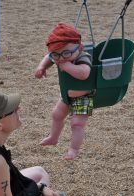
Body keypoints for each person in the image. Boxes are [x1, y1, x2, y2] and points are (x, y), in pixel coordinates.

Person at [35, 22, 93, 160]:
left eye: (66, 53)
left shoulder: (82, 56)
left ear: (80, 47)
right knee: (56, 115)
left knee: (77, 124)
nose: (61, 58)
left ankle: (73, 150)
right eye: (56, 54)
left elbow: (84, 73)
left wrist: (67, 66)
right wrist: (42, 67)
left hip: (83, 96)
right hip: (66, 95)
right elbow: (48, 57)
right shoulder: (60, 55)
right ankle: (53, 137)